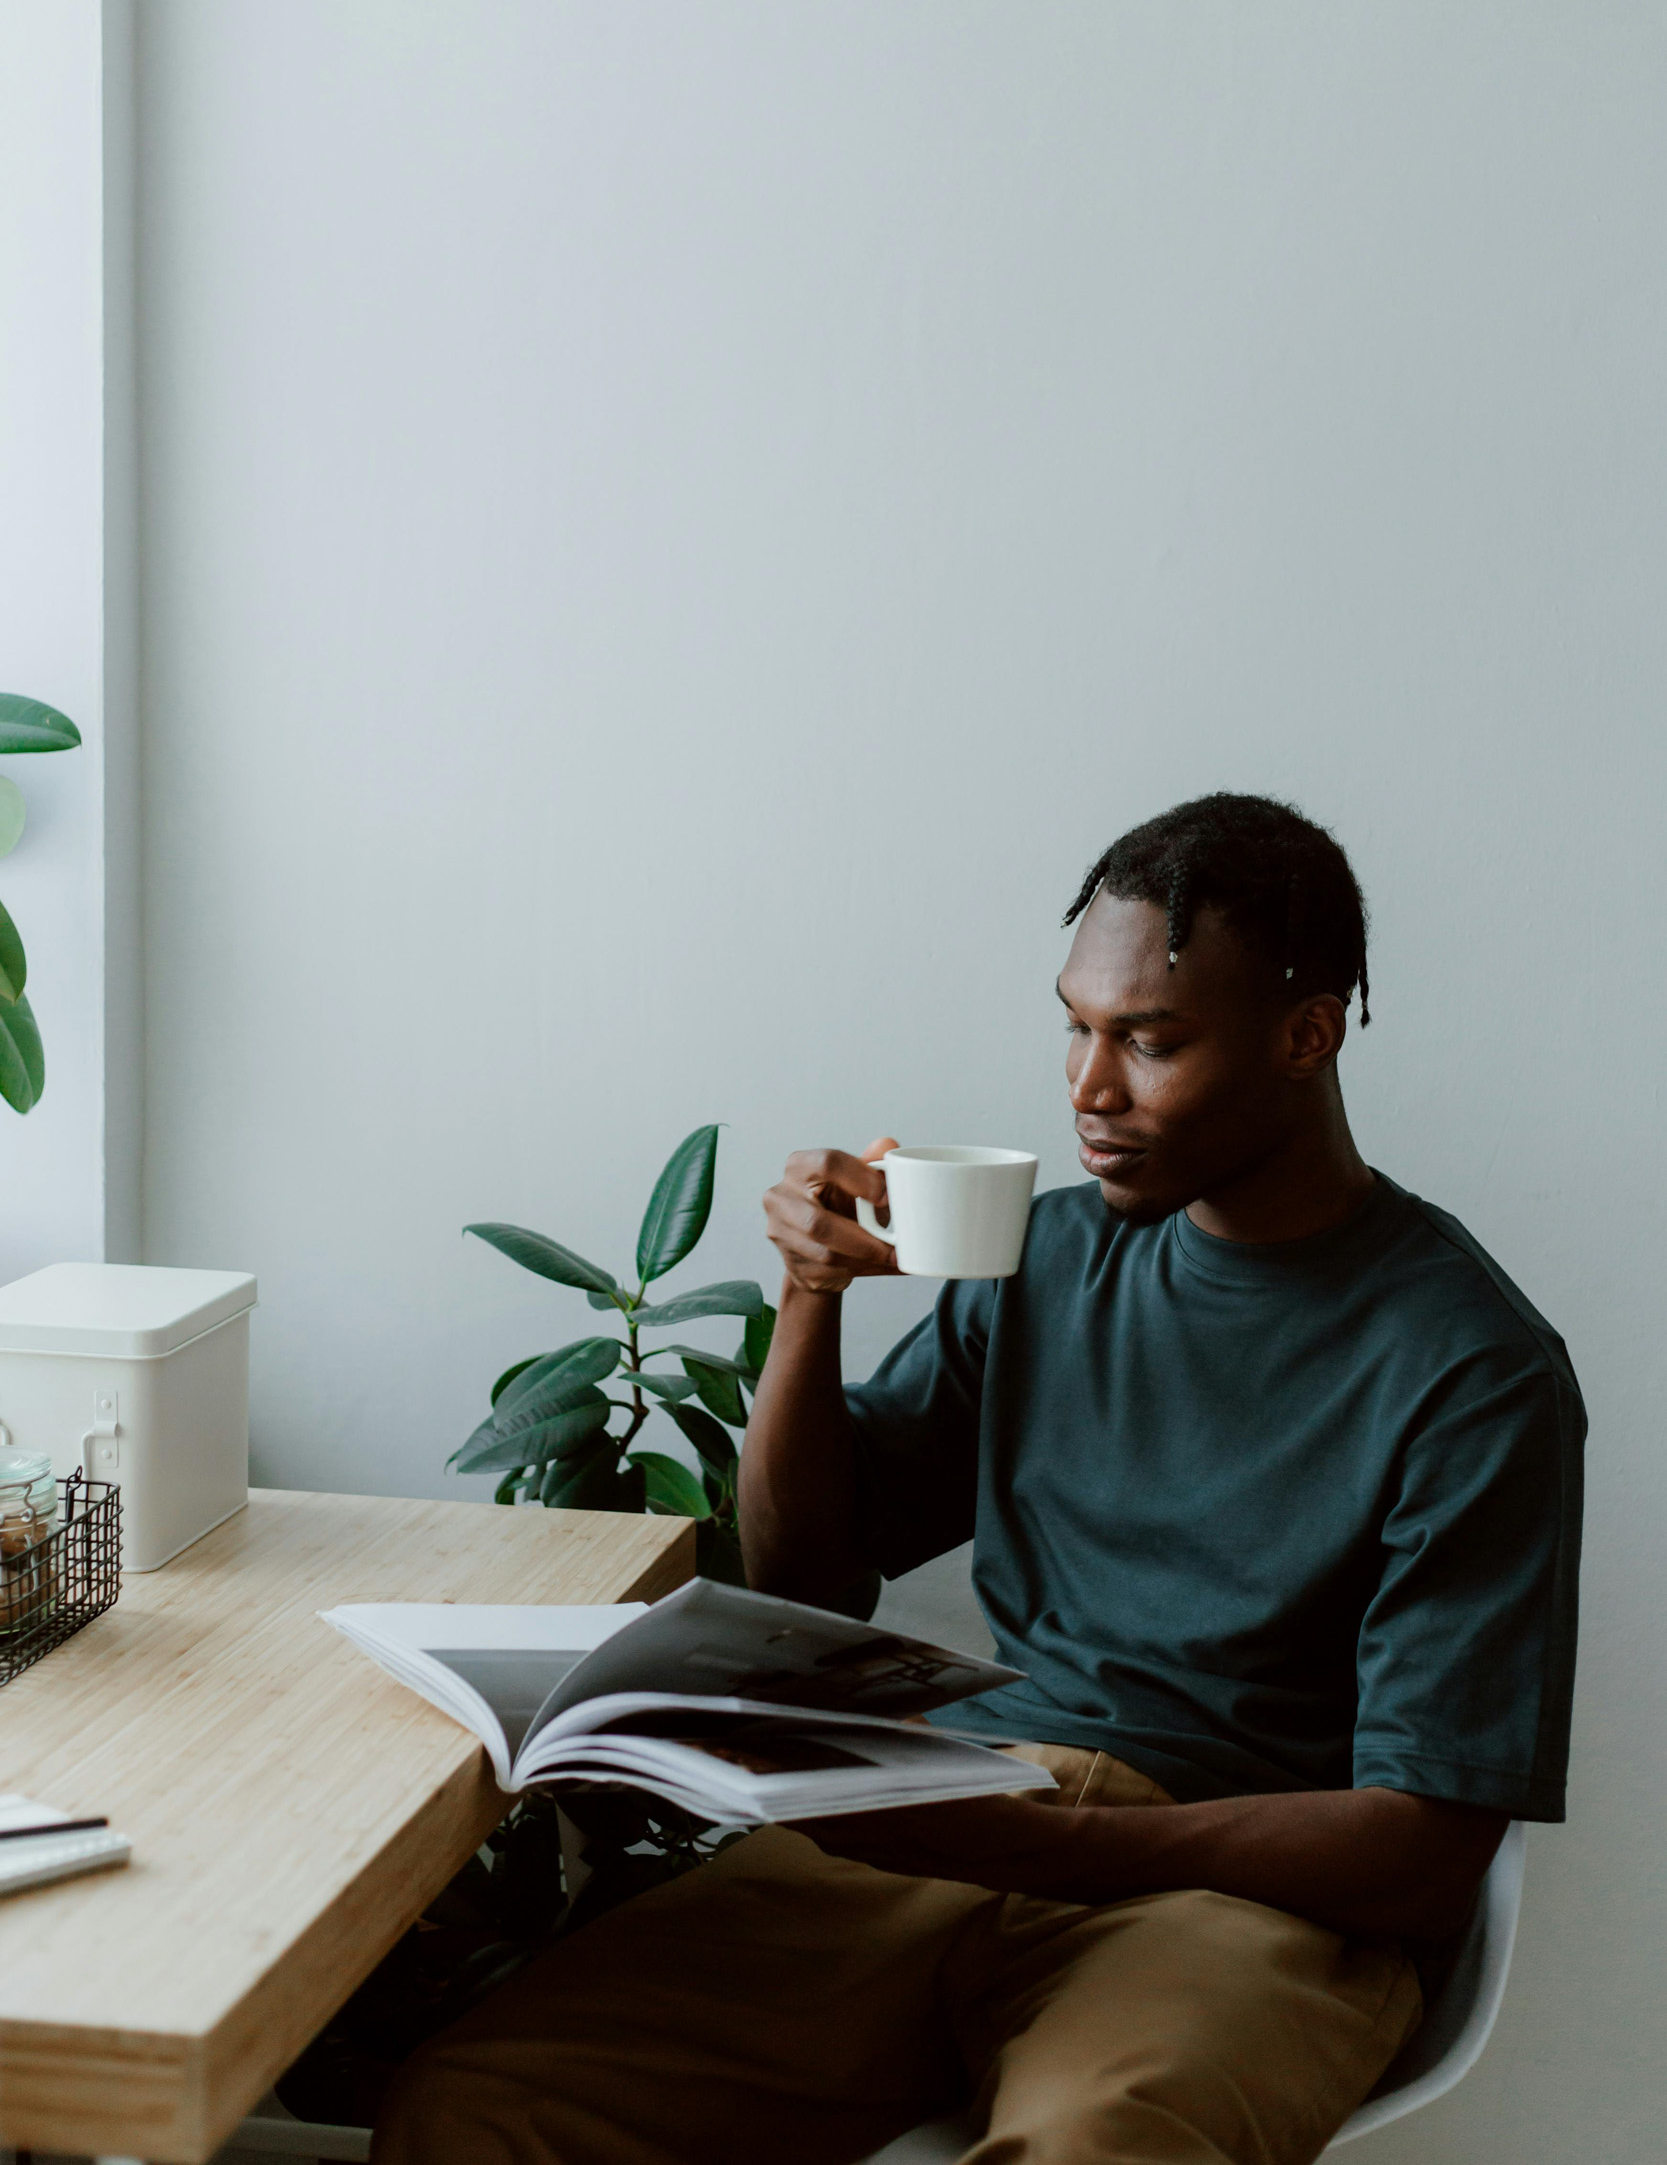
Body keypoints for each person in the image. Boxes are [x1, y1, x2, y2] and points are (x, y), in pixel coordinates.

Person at [375, 791, 1584, 2165]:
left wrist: (1053, 1851)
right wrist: (813, 1298)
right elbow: (808, 1570)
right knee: (481, 2107)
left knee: (1094, 2152)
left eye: (1150, 1040)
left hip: (1235, 1891)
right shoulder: (1050, 1261)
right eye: (1076, 1024)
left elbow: (1425, 1853)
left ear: (1306, 1037)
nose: (1086, 1087)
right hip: (955, 1819)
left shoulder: (1471, 1367)